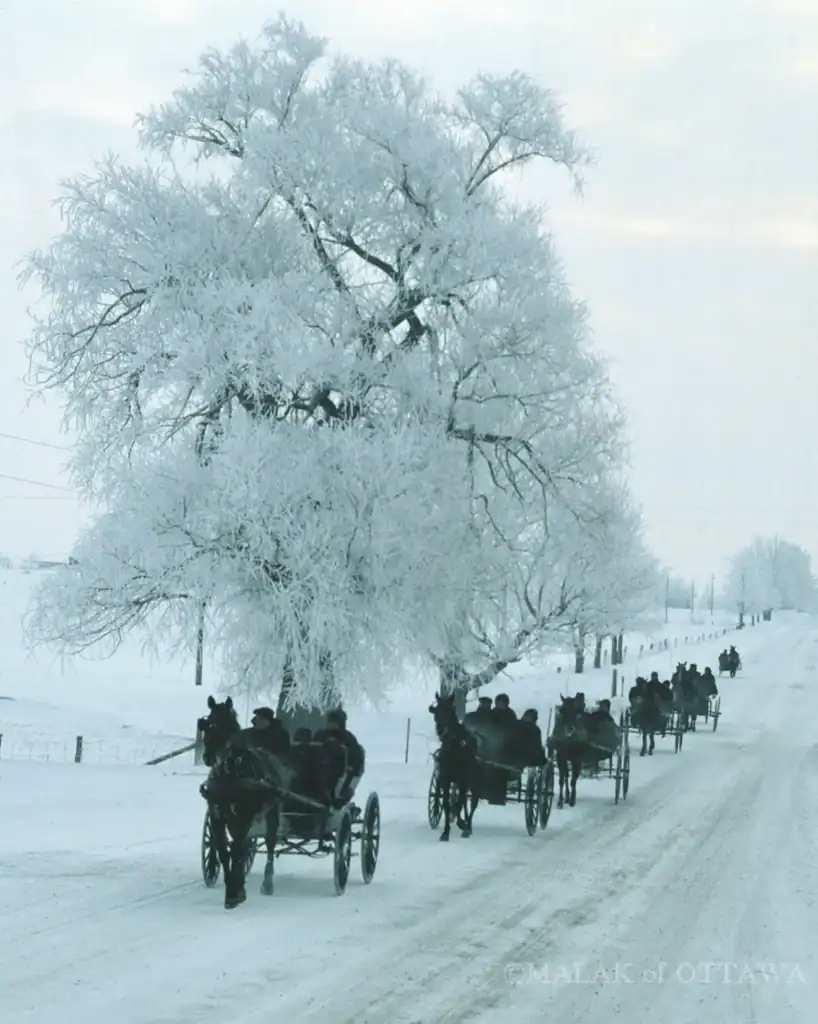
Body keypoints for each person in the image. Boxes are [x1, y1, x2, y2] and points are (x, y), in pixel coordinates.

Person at [314, 708, 366, 806]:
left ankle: (336, 797)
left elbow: (356, 755)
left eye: (335, 722)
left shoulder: (348, 738)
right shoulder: (321, 735)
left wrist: (351, 767)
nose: (332, 724)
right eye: (330, 721)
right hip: (320, 766)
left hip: (339, 770)